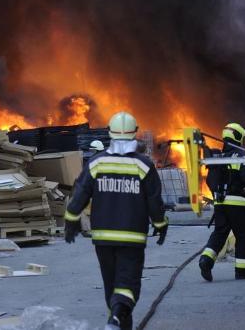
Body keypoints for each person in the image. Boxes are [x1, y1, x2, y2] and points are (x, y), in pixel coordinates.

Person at [64, 111, 168, 330]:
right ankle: (115, 319)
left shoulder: (96, 163)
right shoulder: (143, 166)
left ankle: (118, 322)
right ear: (134, 134)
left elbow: (80, 195)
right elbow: (154, 201)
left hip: (103, 239)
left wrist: (71, 219)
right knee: (128, 286)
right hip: (132, 238)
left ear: (110, 133)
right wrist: (160, 224)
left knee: (112, 287)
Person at [198, 122, 245, 281]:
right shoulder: (239, 156)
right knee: (244, 236)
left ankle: (206, 260)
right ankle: (242, 271)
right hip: (237, 203)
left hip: (219, 203)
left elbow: (211, 180)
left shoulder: (217, 156)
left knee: (219, 233)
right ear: (237, 136)